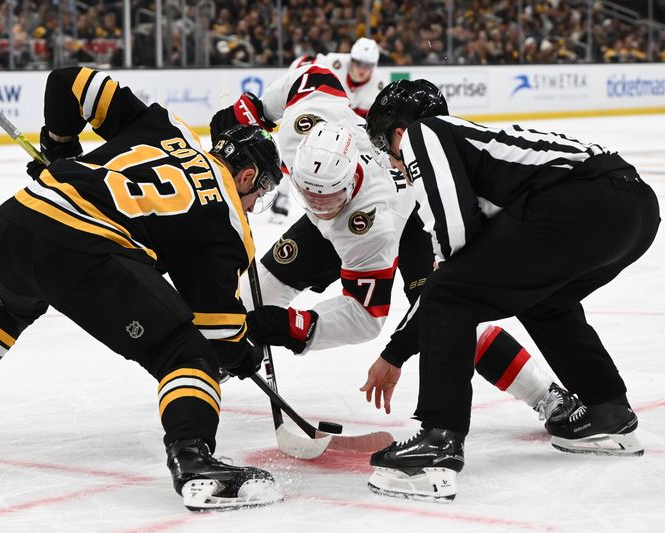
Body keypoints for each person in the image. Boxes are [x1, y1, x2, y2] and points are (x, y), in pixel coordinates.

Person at [0, 67, 284, 512]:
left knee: (8, 306)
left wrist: (60, 147)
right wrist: (243, 352)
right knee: (185, 355)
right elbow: (216, 331)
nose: (257, 203)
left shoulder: (167, 127)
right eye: (263, 190)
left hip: (16, 221)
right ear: (247, 174)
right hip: (79, 248)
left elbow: (67, 81)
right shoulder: (229, 220)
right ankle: (193, 461)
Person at [212, 69, 576, 436]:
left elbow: (366, 314)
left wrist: (295, 328)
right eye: (310, 196)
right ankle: (211, 364)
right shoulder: (300, 129)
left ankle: (546, 395)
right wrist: (256, 109)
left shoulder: (370, 224)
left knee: (448, 318)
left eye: (328, 198)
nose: (320, 207)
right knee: (252, 293)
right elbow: (315, 76)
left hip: (411, 219)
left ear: (349, 181)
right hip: (342, 222)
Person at [363, 78, 659, 502]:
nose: (390, 159)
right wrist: (399, 350)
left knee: (450, 292)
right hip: (635, 209)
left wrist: (396, 351)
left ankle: (438, 443)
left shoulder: (423, 134)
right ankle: (608, 413)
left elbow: (455, 246)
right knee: (545, 300)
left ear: (397, 131)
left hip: (582, 204)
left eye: (383, 143)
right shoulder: (473, 145)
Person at [270, 37, 386, 221]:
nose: (362, 69)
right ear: (351, 59)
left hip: (347, 125)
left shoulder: (379, 86)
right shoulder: (334, 63)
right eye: (358, 62)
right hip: (321, 113)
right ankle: (283, 195)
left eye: (367, 65)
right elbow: (303, 64)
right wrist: (291, 82)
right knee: (299, 149)